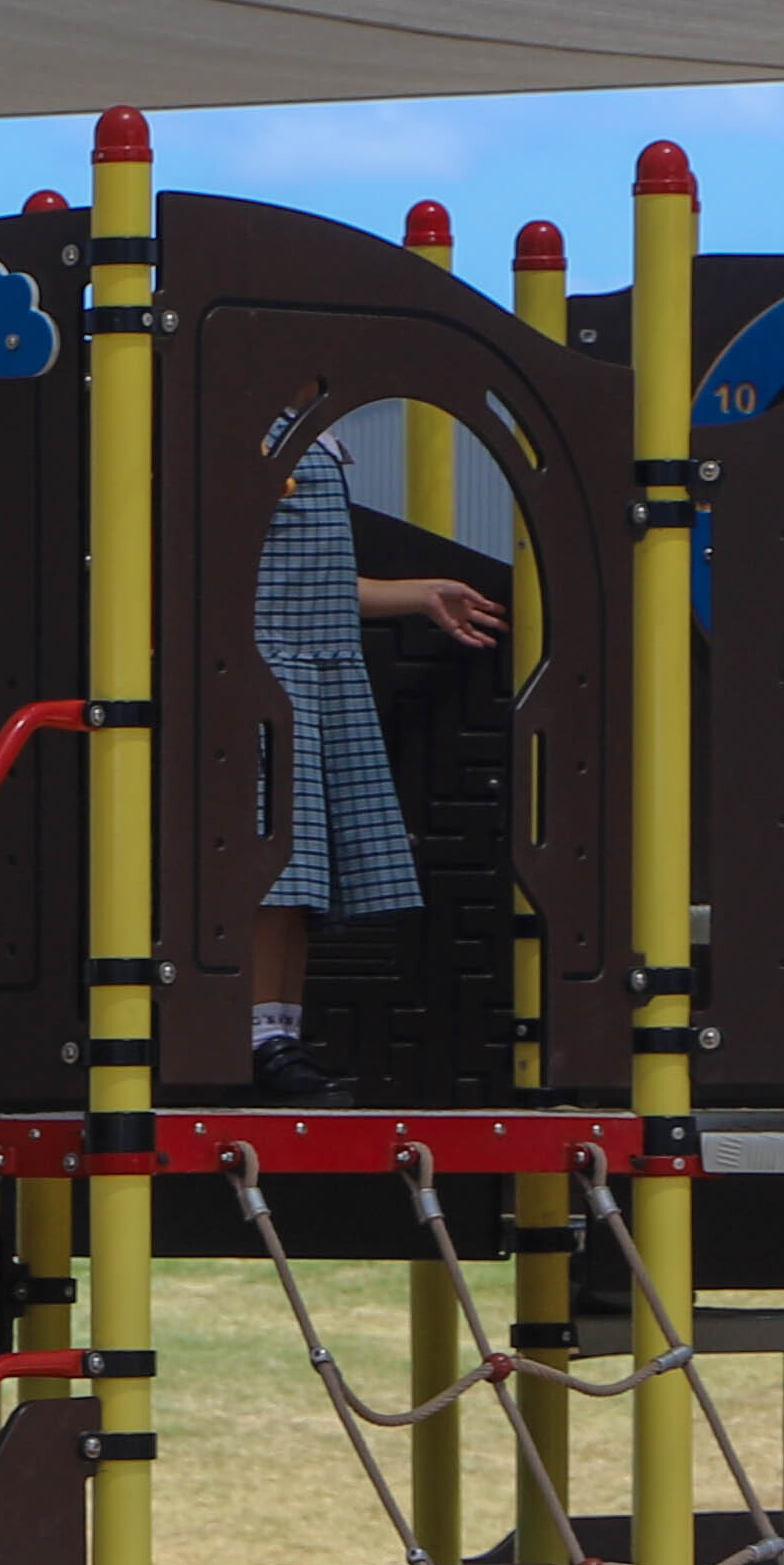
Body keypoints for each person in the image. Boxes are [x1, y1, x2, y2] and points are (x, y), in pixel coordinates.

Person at [246, 430, 504, 1095]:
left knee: (308, 870)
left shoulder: (312, 437)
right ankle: (254, 1035)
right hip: (272, 669)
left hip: (318, 668)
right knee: (276, 865)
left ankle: (280, 1030)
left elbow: (317, 580)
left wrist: (418, 595)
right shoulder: (256, 431)